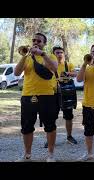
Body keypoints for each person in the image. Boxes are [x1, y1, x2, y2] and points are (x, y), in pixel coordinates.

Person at [14, 33, 58, 162]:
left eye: (39, 41)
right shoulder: (27, 57)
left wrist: (41, 54)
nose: (35, 42)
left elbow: (54, 68)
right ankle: (27, 154)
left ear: (44, 44)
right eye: (33, 40)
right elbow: (17, 72)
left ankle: (50, 155)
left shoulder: (49, 56)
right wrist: (24, 56)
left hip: (47, 96)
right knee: (26, 126)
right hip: (28, 95)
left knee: (50, 126)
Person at [43, 46, 78, 148]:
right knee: (51, 117)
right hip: (53, 94)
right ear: (53, 54)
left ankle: (69, 136)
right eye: (57, 53)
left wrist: (68, 73)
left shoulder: (68, 64)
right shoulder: (49, 64)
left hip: (66, 93)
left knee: (68, 116)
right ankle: (49, 139)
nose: (59, 54)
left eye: (61, 52)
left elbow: (76, 74)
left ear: (64, 53)